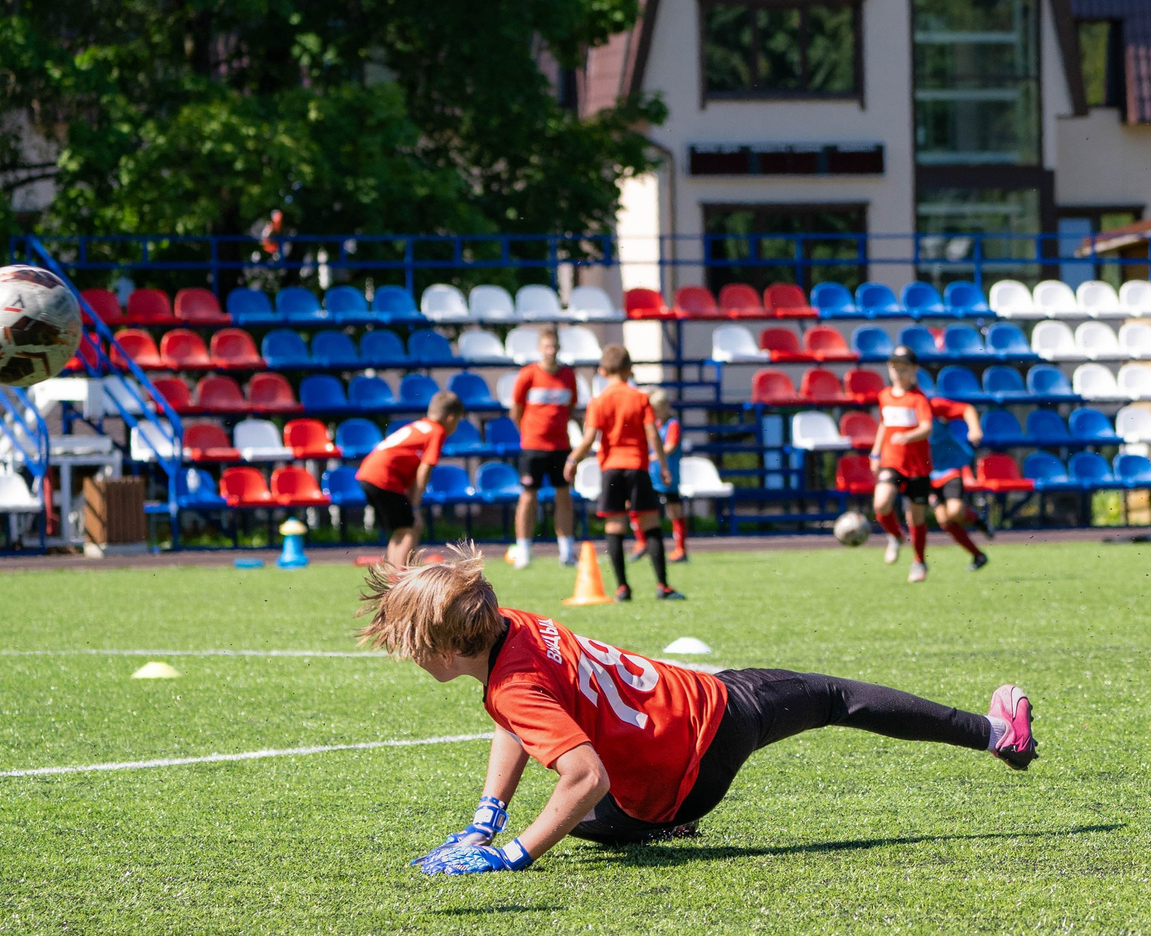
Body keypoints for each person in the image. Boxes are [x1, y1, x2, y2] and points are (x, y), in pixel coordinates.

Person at [364, 548, 1036, 872]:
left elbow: (584, 775)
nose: (406, 655)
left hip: (695, 746)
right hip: (707, 715)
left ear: (448, 647)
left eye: (409, 643)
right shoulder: (510, 625)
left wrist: (508, 855)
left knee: (584, 811)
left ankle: (668, 820)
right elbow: (518, 722)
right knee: (835, 698)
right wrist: (486, 819)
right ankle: (995, 735)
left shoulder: (509, 684)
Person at [563, 345, 682, 602]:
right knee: (650, 524)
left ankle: (622, 588)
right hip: (637, 466)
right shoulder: (640, 398)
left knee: (615, 526)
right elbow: (652, 434)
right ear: (629, 370)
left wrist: (572, 460)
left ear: (602, 371)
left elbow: (588, 439)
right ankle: (662, 585)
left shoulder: (599, 401)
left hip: (612, 469)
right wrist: (662, 465)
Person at [871, 347, 982, 583]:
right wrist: (875, 453)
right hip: (892, 462)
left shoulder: (919, 399)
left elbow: (927, 427)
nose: (898, 373)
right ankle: (894, 536)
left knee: (917, 517)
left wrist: (908, 437)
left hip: (918, 467)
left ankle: (919, 561)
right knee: (881, 503)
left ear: (914, 370)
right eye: (894, 368)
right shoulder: (885, 396)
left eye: (903, 369)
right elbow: (883, 423)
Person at [356, 390, 465, 567]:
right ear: (451, 418)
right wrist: (414, 504)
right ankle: (400, 579)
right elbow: (425, 468)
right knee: (411, 527)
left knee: (403, 529)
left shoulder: (420, 426)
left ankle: (393, 576)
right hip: (384, 478)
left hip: (368, 474)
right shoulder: (436, 432)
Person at [507, 328, 581, 569]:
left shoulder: (568, 375)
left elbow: (570, 408)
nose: (551, 351)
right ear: (540, 348)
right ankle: (524, 551)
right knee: (528, 497)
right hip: (533, 447)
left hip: (561, 445)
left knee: (564, 496)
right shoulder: (528, 374)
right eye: (546, 346)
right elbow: (516, 409)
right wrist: (528, 433)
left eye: (554, 346)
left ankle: (566, 552)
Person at [924, 399, 992, 571]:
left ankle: (977, 519)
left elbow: (967, 409)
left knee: (955, 511)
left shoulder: (931, 406)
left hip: (950, 467)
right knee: (944, 521)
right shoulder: (901, 414)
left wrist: (975, 429)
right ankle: (978, 555)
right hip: (926, 473)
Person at [646, 387, 688, 564]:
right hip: (652, 475)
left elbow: (670, 447)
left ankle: (680, 549)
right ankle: (643, 544)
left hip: (668, 474)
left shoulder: (673, 424)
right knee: (645, 510)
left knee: (674, 510)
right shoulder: (654, 425)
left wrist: (653, 456)